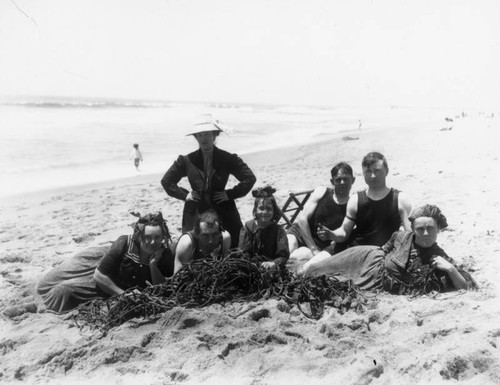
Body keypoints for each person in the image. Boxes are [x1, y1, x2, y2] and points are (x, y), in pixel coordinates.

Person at [299, 204, 476, 293]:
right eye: (420, 229)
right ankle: (300, 269)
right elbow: (386, 247)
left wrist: (451, 269)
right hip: (365, 257)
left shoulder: (439, 257)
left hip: (373, 280)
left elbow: (466, 287)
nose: (425, 233)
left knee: (331, 283)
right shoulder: (401, 236)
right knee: (314, 271)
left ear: (438, 230)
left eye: (430, 228)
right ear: (413, 229)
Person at [36, 212, 174, 313]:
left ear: (163, 237)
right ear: (140, 236)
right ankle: (33, 303)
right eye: (148, 237)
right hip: (105, 279)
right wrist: (123, 295)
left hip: (112, 295)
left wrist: (153, 266)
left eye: (157, 237)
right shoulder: (125, 243)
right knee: (53, 287)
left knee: (64, 292)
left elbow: (161, 289)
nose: (153, 242)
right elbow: (99, 275)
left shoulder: (164, 254)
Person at [161, 114, 256, 248]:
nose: (203, 138)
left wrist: (229, 194)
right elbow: (167, 181)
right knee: (193, 246)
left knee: (231, 244)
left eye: (206, 134)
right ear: (195, 137)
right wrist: (185, 195)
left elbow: (249, 178)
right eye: (199, 135)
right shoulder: (187, 160)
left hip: (222, 208)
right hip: (196, 210)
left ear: (214, 135)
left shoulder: (227, 158)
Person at [317, 152, 412, 249]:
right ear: (363, 174)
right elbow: (344, 232)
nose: (372, 176)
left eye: (377, 170)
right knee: (313, 264)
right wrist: (331, 234)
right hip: (357, 251)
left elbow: (410, 233)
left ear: (386, 171)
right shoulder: (355, 200)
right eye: (368, 171)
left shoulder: (400, 199)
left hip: (387, 251)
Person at [286, 162, 355, 260]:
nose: (342, 183)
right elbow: (302, 220)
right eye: (338, 180)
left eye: (346, 179)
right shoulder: (322, 192)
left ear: (353, 180)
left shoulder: (353, 204)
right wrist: (313, 248)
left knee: (297, 256)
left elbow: (344, 234)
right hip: (300, 233)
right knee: (288, 248)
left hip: (320, 246)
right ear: (332, 181)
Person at [238, 186, 289, 270]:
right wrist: (251, 265)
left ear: (274, 211)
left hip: (272, 269)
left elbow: (283, 256)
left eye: (269, 209)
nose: (265, 212)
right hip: (250, 268)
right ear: (255, 210)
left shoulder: (278, 231)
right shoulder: (248, 228)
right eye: (261, 208)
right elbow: (242, 253)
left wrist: (273, 263)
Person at [173, 210, 231, 275]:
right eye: (205, 236)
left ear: (220, 233)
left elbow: (226, 269)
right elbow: (177, 277)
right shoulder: (186, 244)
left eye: (214, 235)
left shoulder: (225, 238)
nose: (210, 241)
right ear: (197, 234)